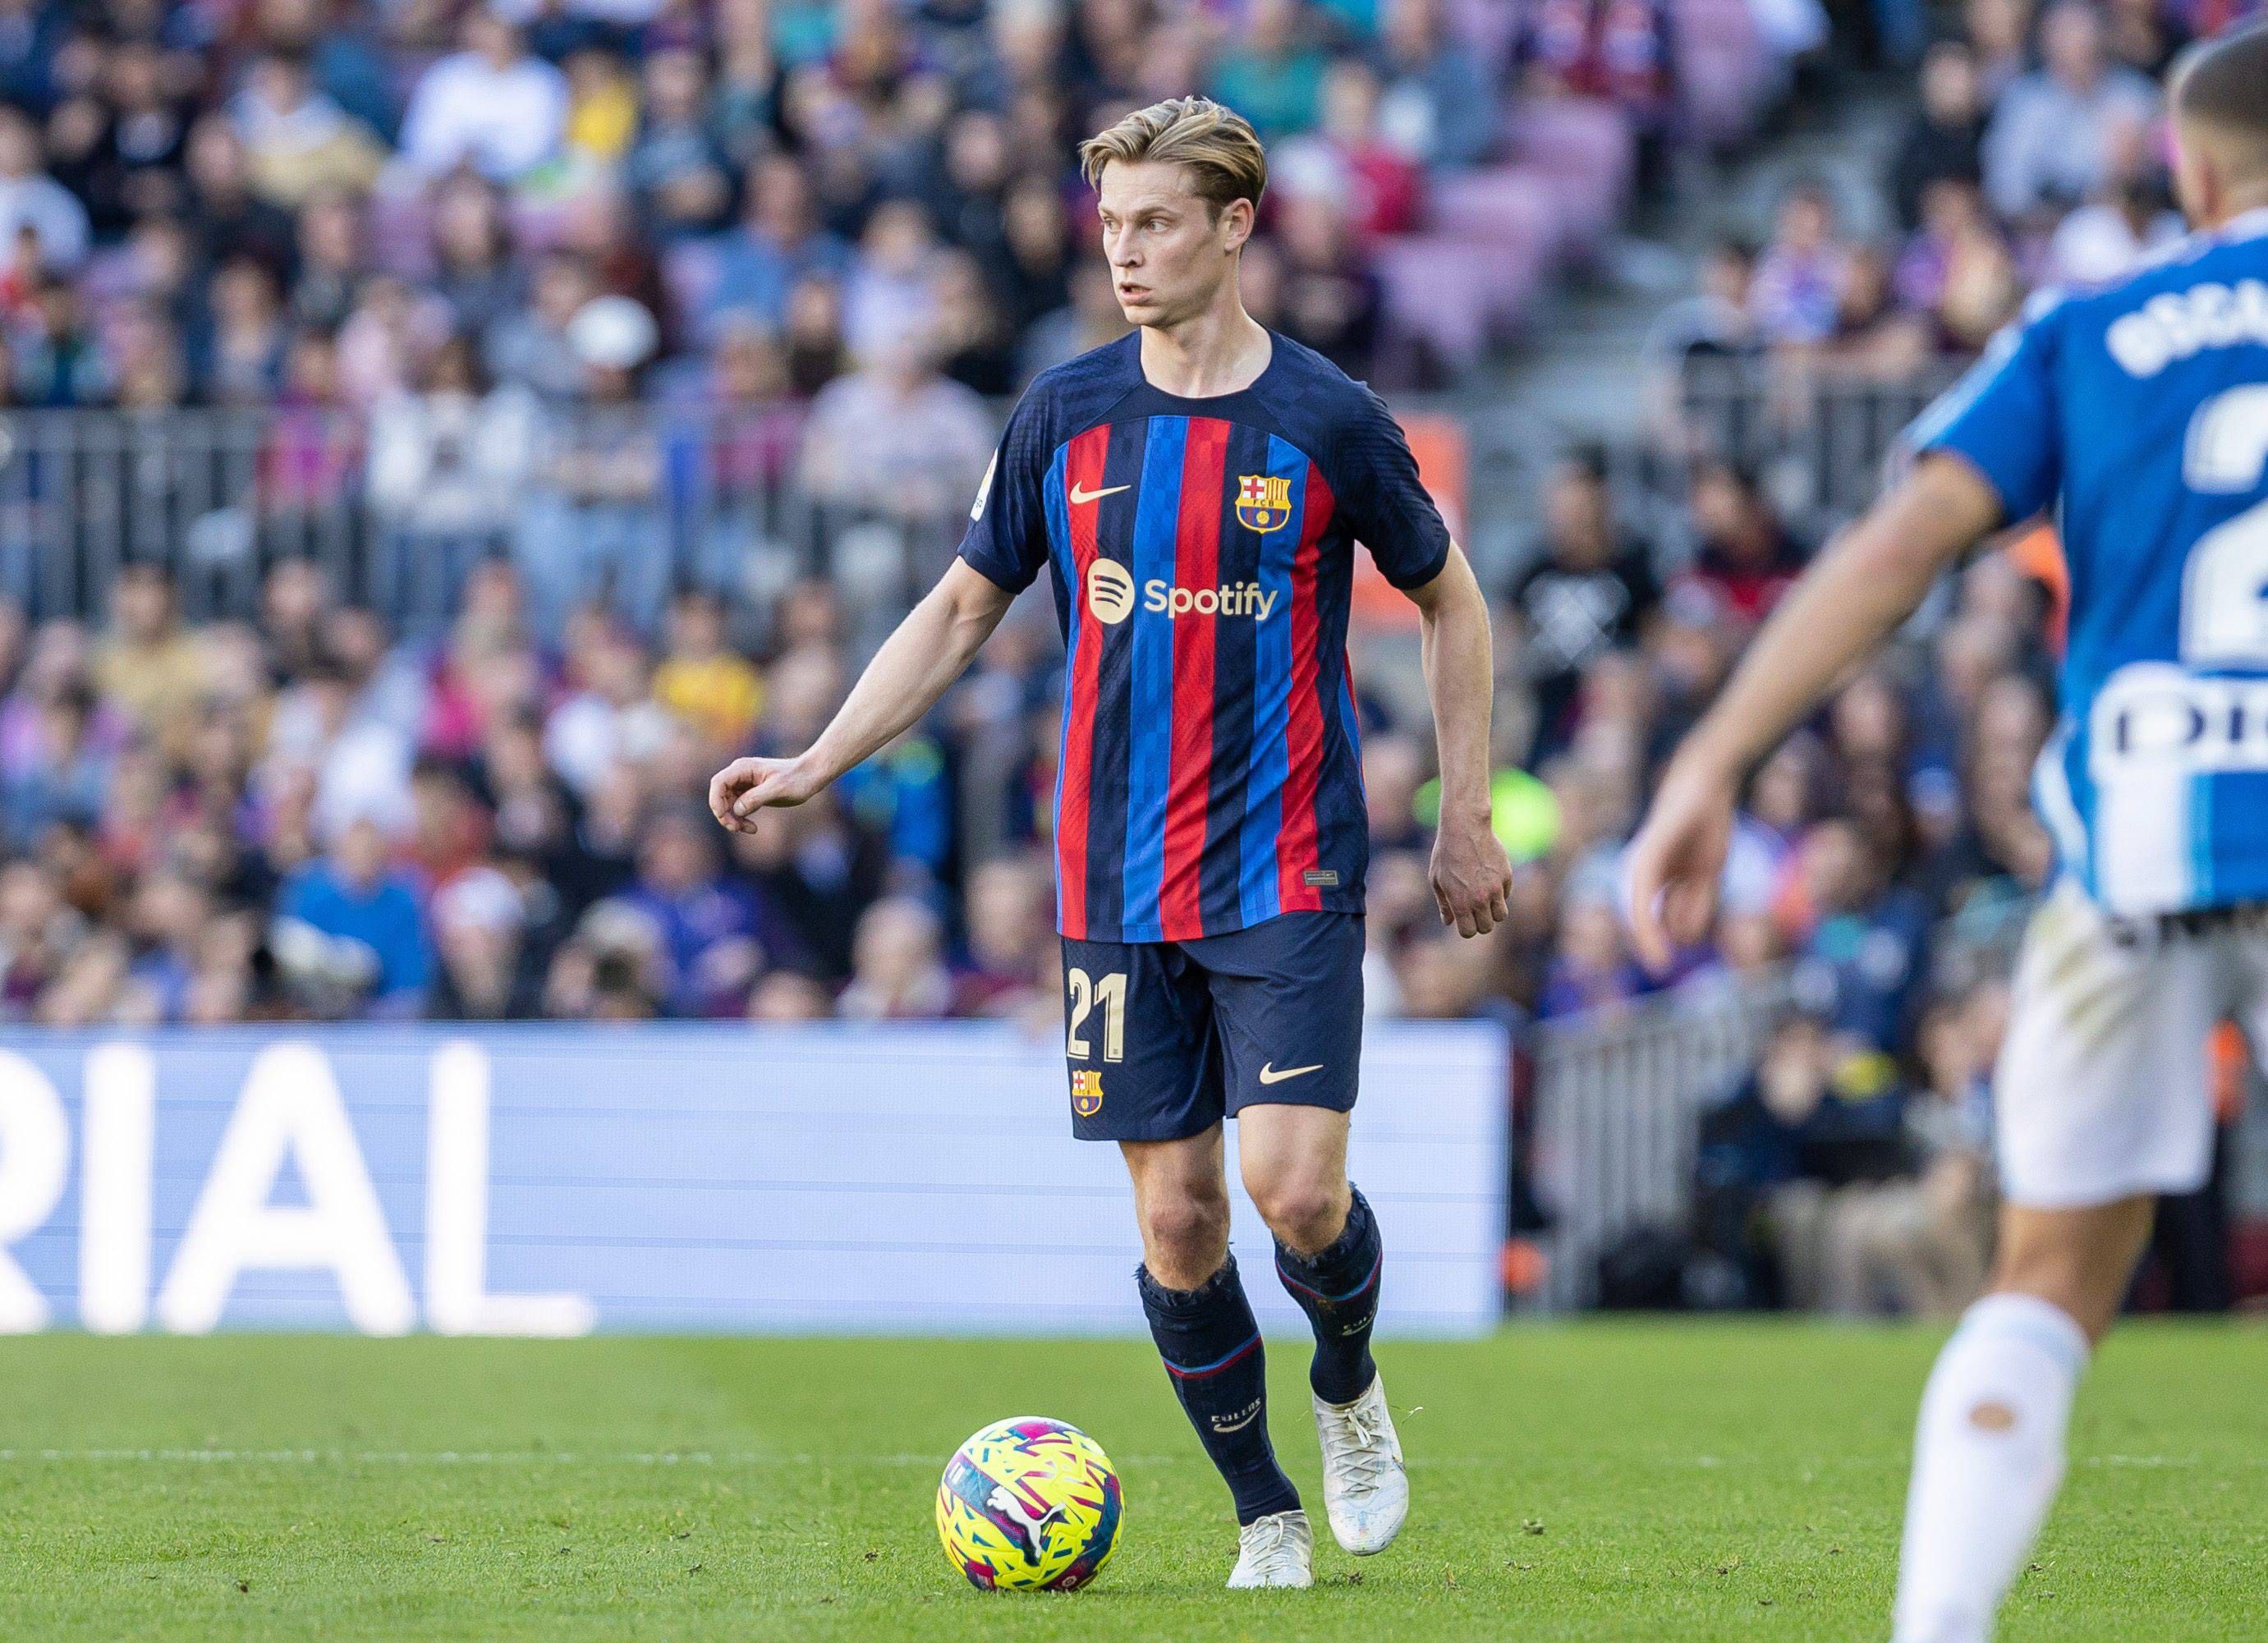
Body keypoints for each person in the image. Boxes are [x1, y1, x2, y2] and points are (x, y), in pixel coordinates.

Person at [708, 96, 1509, 1590]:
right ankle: (1263, 1509)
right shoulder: (1063, 416)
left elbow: (1453, 599)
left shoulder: (1328, 419)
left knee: (1296, 1193)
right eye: (1110, 224)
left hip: (1285, 867)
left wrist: (1462, 812)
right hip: (1114, 883)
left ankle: (1346, 1380)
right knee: (1179, 1214)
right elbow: (961, 605)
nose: (1124, 252)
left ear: (1232, 227)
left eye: (1153, 222)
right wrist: (819, 755)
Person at [1626, 28, 2268, 1643]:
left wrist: (1709, 754)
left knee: (2047, 1274)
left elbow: (1898, 540)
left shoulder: (2094, 327)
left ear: (2186, 172)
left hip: (2140, 833)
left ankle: (1939, 1625)